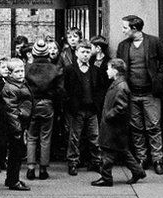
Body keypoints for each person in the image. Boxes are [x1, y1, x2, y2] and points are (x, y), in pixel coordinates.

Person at [116, 14, 163, 174]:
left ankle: (157, 159)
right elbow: (120, 67)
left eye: (125, 27)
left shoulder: (153, 42)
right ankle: (141, 158)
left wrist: (158, 79)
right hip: (132, 93)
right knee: (136, 127)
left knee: (154, 126)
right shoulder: (123, 46)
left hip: (150, 93)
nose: (123, 30)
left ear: (134, 28)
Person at [91, 58, 147, 187]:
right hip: (116, 127)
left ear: (115, 70)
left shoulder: (120, 86)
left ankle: (106, 178)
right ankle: (138, 171)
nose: (107, 71)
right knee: (122, 151)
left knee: (108, 152)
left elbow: (121, 107)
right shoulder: (119, 84)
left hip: (113, 126)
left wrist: (109, 115)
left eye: (108, 68)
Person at [63, 39, 101, 175]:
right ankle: (73, 162)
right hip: (76, 109)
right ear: (77, 53)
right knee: (74, 138)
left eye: (88, 52)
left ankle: (96, 162)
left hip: (92, 109)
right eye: (83, 52)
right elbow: (64, 89)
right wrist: (69, 105)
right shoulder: (69, 70)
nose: (85, 54)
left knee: (94, 137)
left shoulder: (95, 70)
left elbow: (99, 89)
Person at [24, 37, 60, 180]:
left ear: (33, 53)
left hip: (32, 104)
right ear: (46, 54)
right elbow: (59, 90)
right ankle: (43, 169)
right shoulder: (54, 69)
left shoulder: (28, 68)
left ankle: (30, 168)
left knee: (31, 137)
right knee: (45, 137)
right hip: (48, 104)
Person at [0, 57, 33, 191]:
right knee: (15, 154)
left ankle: (12, 179)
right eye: (17, 71)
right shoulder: (11, 88)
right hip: (15, 126)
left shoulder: (21, 84)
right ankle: (13, 181)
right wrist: (17, 130)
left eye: (22, 70)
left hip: (21, 123)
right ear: (10, 74)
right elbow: (11, 110)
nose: (21, 73)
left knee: (17, 154)